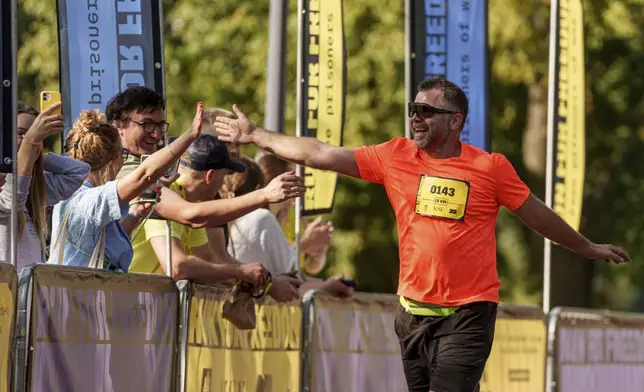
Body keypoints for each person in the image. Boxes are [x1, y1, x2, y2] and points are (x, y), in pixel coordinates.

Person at [214, 77, 631, 392]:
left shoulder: (490, 168)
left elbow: (537, 217)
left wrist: (586, 246)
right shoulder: (395, 156)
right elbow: (320, 153)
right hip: (412, 314)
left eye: (425, 111)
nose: (415, 117)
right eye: (412, 110)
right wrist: (257, 137)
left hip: (468, 313)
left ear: (455, 120)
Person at [128, 134, 303, 302]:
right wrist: (241, 272)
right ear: (210, 176)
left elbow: (208, 261)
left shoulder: (191, 199)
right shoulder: (165, 195)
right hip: (124, 305)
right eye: (225, 176)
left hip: (142, 307)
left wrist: (266, 283)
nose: (223, 186)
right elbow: (177, 266)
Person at [222, 157, 353, 297]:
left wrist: (325, 284)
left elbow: (290, 275)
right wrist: (305, 244)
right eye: (292, 185)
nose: (296, 197)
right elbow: (287, 279)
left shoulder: (274, 217)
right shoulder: (262, 218)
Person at [0, 102, 87, 269]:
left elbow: (80, 172)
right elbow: (12, 201)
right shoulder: (5, 185)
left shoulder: (35, 185)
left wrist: (38, 159)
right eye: (20, 134)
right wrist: (30, 143)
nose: (27, 141)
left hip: (27, 292)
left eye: (38, 137)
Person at [256, 152, 334, 274]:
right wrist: (305, 243)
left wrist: (319, 251)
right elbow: (271, 271)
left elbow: (310, 266)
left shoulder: (295, 212)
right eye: (293, 179)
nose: (300, 186)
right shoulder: (260, 219)